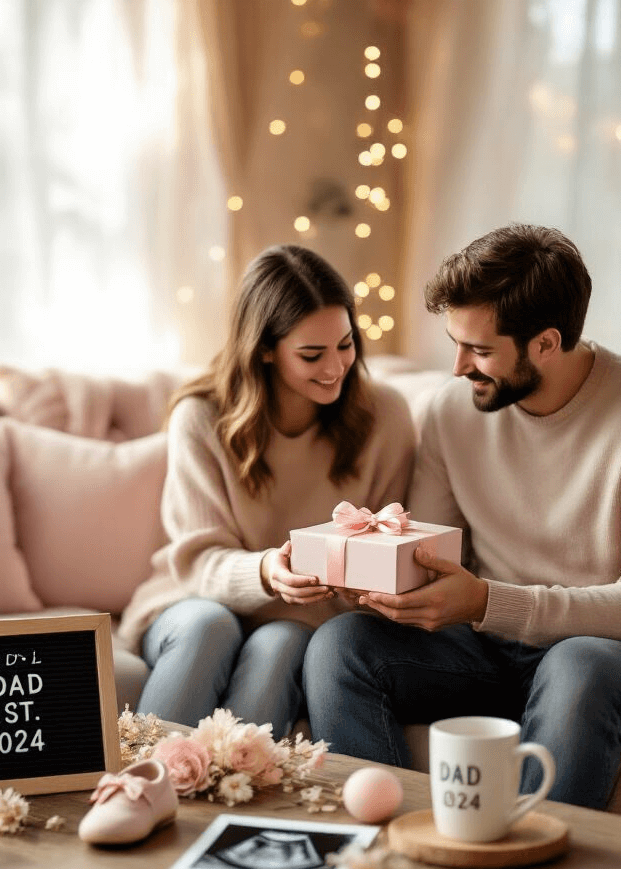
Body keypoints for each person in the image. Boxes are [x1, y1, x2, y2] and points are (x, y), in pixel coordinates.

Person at [302, 224, 621, 810]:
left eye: (479, 350)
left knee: (577, 665)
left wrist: (485, 603)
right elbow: (436, 555)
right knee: (340, 646)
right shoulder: (453, 411)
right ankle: (392, 847)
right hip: (490, 645)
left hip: (620, 656)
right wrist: (378, 577)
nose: (456, 368)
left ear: (547, 343)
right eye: (454, 342)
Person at [118, 244, 415, 739]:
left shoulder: (386, 416)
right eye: (311, 354)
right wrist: (265, 570)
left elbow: (389, 549)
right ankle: (144, 784)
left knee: (280, 643)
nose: (336, 367)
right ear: (265, 349)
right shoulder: (201, 417)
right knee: (209, 627)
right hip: (196, 599)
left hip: (305, 616)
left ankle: (238, 790)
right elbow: (198, 560)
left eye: (346, 344)